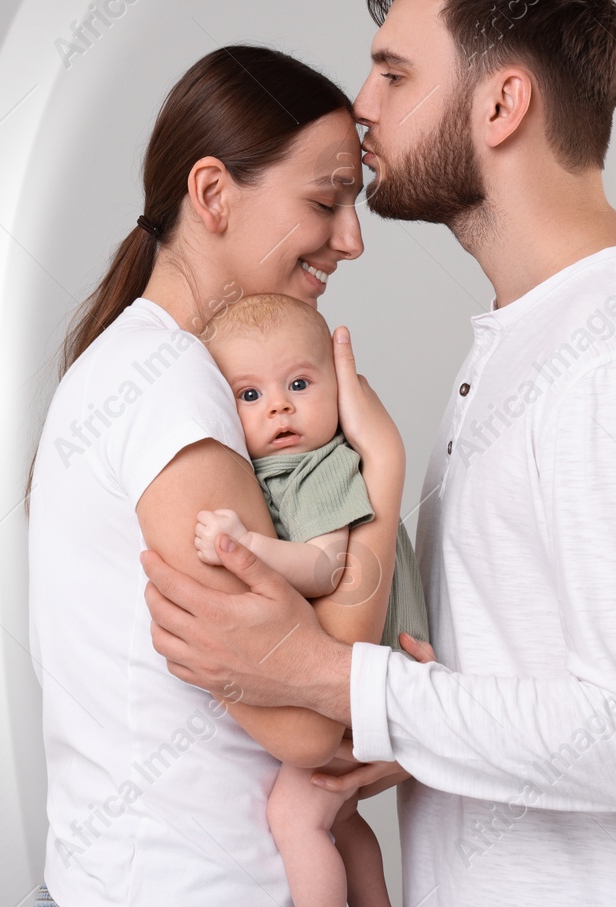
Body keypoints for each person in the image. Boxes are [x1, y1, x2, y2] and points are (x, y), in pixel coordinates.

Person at [142, 0, 616, 905]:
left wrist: (326, 676)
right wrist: (398, 730)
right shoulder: (534, 334)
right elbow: (544, 686)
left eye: (394, 73)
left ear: (500, 103)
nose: (361, 104)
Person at [24, 43, 434, 907]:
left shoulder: (142, 370)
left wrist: (385, 716)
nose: (352, 240)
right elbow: (312, 720)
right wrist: (383, 471)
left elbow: (304, 686)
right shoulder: (171, 386)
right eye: (327, 201)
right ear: (211, 193)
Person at [193, 291, 430, 907]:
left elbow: (325, 569)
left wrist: (245, 545)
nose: (278, 406)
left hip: (368, 679)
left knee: (296, 820)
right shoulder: (271, 471)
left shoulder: (320, 468)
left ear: (340, 387)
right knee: (341, 819)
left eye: (299, 383)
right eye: (250, 395)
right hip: (372, 680)